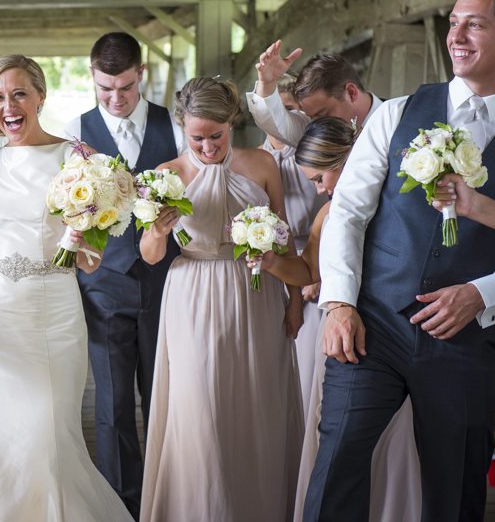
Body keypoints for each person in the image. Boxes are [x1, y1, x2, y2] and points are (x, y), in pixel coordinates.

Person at [306, 0, 495, 521]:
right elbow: (347, 212)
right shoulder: (396, 113)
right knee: (336, 464)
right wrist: (340, 304)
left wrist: (486, 291)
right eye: (453, 24)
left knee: (456, 485)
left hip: (465, 337)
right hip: (372, 324)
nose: (457, 36)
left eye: (476, 24)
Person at [0, 55, 131, 522]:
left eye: (19, 93)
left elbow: (89, 263)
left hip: (54, 315)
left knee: (48, 433)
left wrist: (79, 234)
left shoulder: (80, 160)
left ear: (41, 97)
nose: (8, 106)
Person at [138, 76, 303, 522]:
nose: (208, 147)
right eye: (197, 138)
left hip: (255, 294)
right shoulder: (166, 176)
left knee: (255, 406)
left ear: (232, 123)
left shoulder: (262, 166)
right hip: (191, 293)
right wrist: (156, 230)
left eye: (217, 135)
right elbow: (150, 257)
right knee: (201, 408)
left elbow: (284, 243)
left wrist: (294, 302)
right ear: (181, 128)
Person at [249, 117, 421, 522]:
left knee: (396, 444)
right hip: (341, 340)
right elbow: (309, 272)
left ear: (351, 159)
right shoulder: (327, 213)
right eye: (311, 181)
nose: (320, 189)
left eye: (322, 176)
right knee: (340, 446)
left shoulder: (399, 204)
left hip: (396, 331)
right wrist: (272, 261)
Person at [62, 32, 184, 516]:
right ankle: (120, 505)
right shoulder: (75, 131)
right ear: (93, 78)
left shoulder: (172, 125)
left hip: (167, 282)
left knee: (164, 397)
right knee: (111, 407)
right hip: (103, 286)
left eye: (126, 88)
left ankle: (164, 496)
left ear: (142, 75)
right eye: (105, 89)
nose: (115, 99)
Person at [258, 76, 326, 414]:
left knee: (307, 376)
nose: (277, 117)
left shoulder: (317, 160)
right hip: (267, 269)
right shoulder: (251, 162)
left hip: (313, 268)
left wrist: (317, 272)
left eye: (287, 110)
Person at [248, 43, 383, 148]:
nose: (318, 125)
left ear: (351, 93)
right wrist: (267, 82)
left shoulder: (398, 118)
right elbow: (277, 124)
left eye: (324, 113)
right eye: (312, 118)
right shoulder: (319, 130)